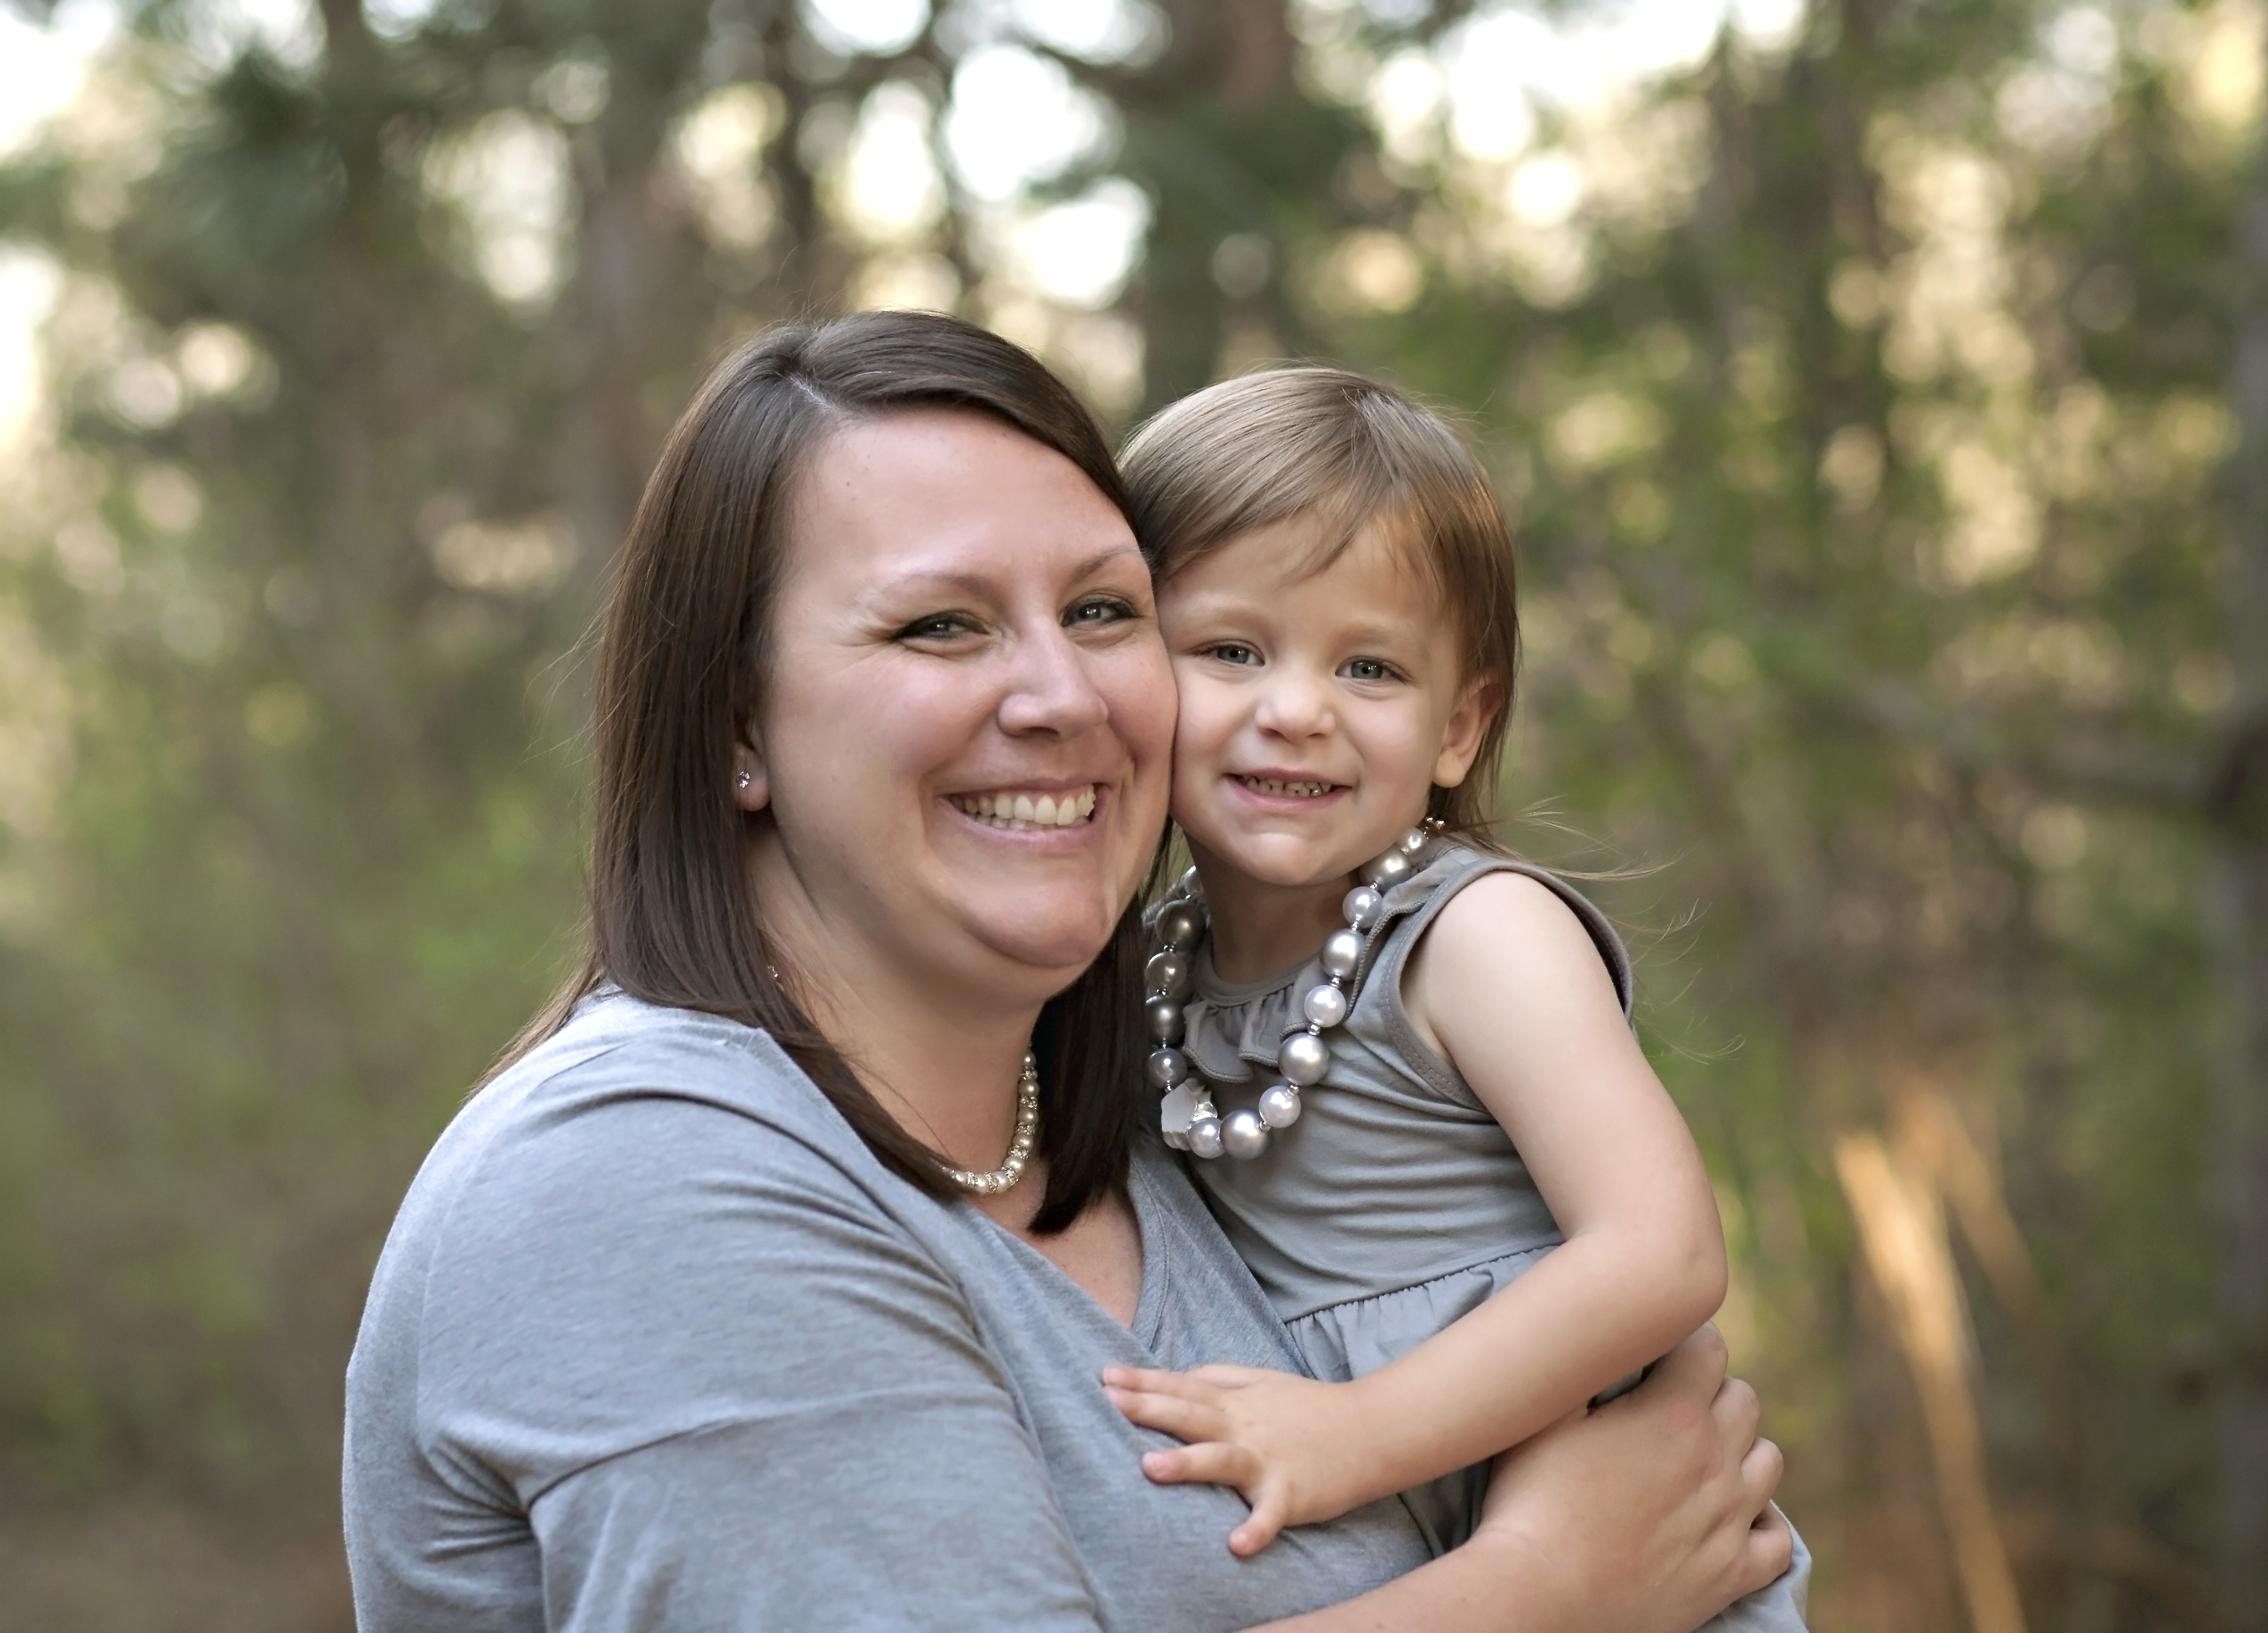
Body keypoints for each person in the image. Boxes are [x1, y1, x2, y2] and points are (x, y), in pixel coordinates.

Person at [341, 311, 1792, 1631]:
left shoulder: (1160, 1128)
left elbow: (1642, 1252)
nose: (1061, 695)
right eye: (940, 624)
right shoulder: (643, 1179)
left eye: (1101, 612)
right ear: (737, 724)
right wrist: (1552, 1586)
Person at [1100, 368, 1807, 1624]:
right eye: (1232, 650)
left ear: (1458, 728)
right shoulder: (1154, 970)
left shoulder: (1472, 936)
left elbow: (1662, 1250)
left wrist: (1355, 1432)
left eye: (1369, 667)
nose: (1297, 710)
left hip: (1624, 1538)